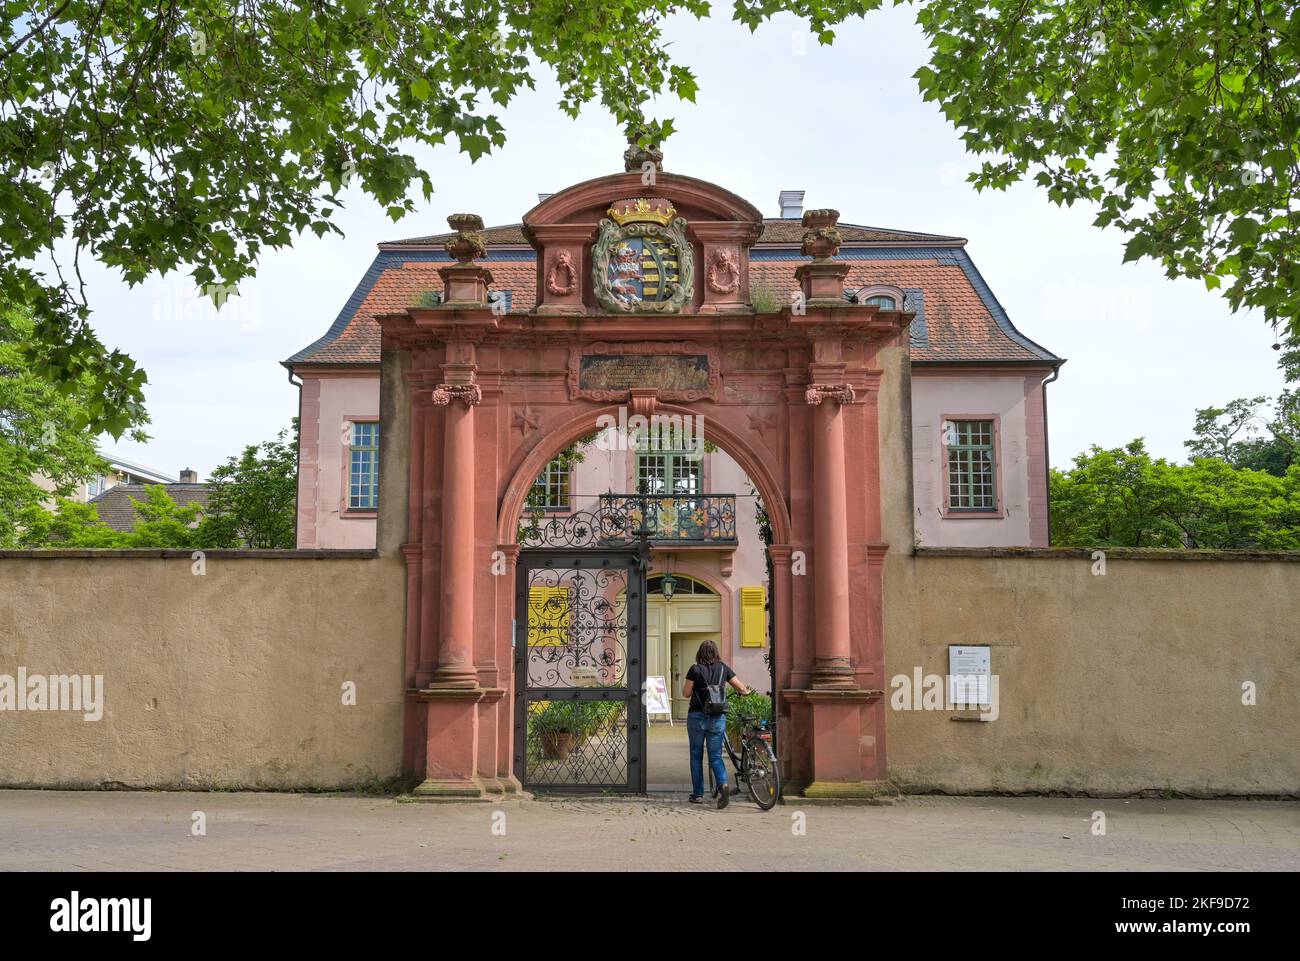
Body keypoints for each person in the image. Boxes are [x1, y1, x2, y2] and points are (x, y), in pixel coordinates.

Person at [682, 639, 751, 808]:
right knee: (715, 756)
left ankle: (698, 794)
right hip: (717, 718)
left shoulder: (695, 669)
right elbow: (741, 688)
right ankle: (723, 784)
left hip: (697, 717)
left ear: (700, 653)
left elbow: (685, 693)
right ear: (716, 653)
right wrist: (746, 692)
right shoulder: (723, 668)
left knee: (696, 755)